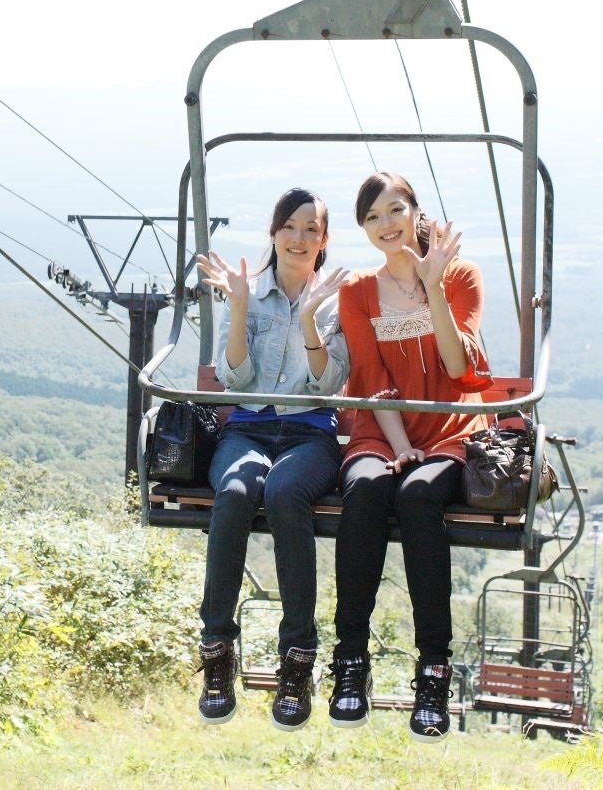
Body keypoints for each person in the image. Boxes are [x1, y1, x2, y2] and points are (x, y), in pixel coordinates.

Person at [327, 172, 491, 741]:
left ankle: (433, 669)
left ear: (415, 212)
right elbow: (370, 379)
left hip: (450, 428)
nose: (386, 225)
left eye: (395, 210)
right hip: (383, 427)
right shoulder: (357, 293)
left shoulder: (461, 275)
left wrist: (434, 285)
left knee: (421, 496)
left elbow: (458, 370)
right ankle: (350, 660)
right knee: (370, 489)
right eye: (372, 217)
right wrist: (399, 448)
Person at [192, 187, 349, 731]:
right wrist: (236, 309)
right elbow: (234, 380)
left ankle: (297, 659)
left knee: (284, 493)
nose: (299, 238)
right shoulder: (248, 293)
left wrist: (309, 319)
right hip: (251, 427)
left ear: (324, 239)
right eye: (290, 226)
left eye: (312, 229)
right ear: (274, 232)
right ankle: (217, 649)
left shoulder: (337, 301)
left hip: (309, 435)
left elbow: (329, 383)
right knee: (235, 492)